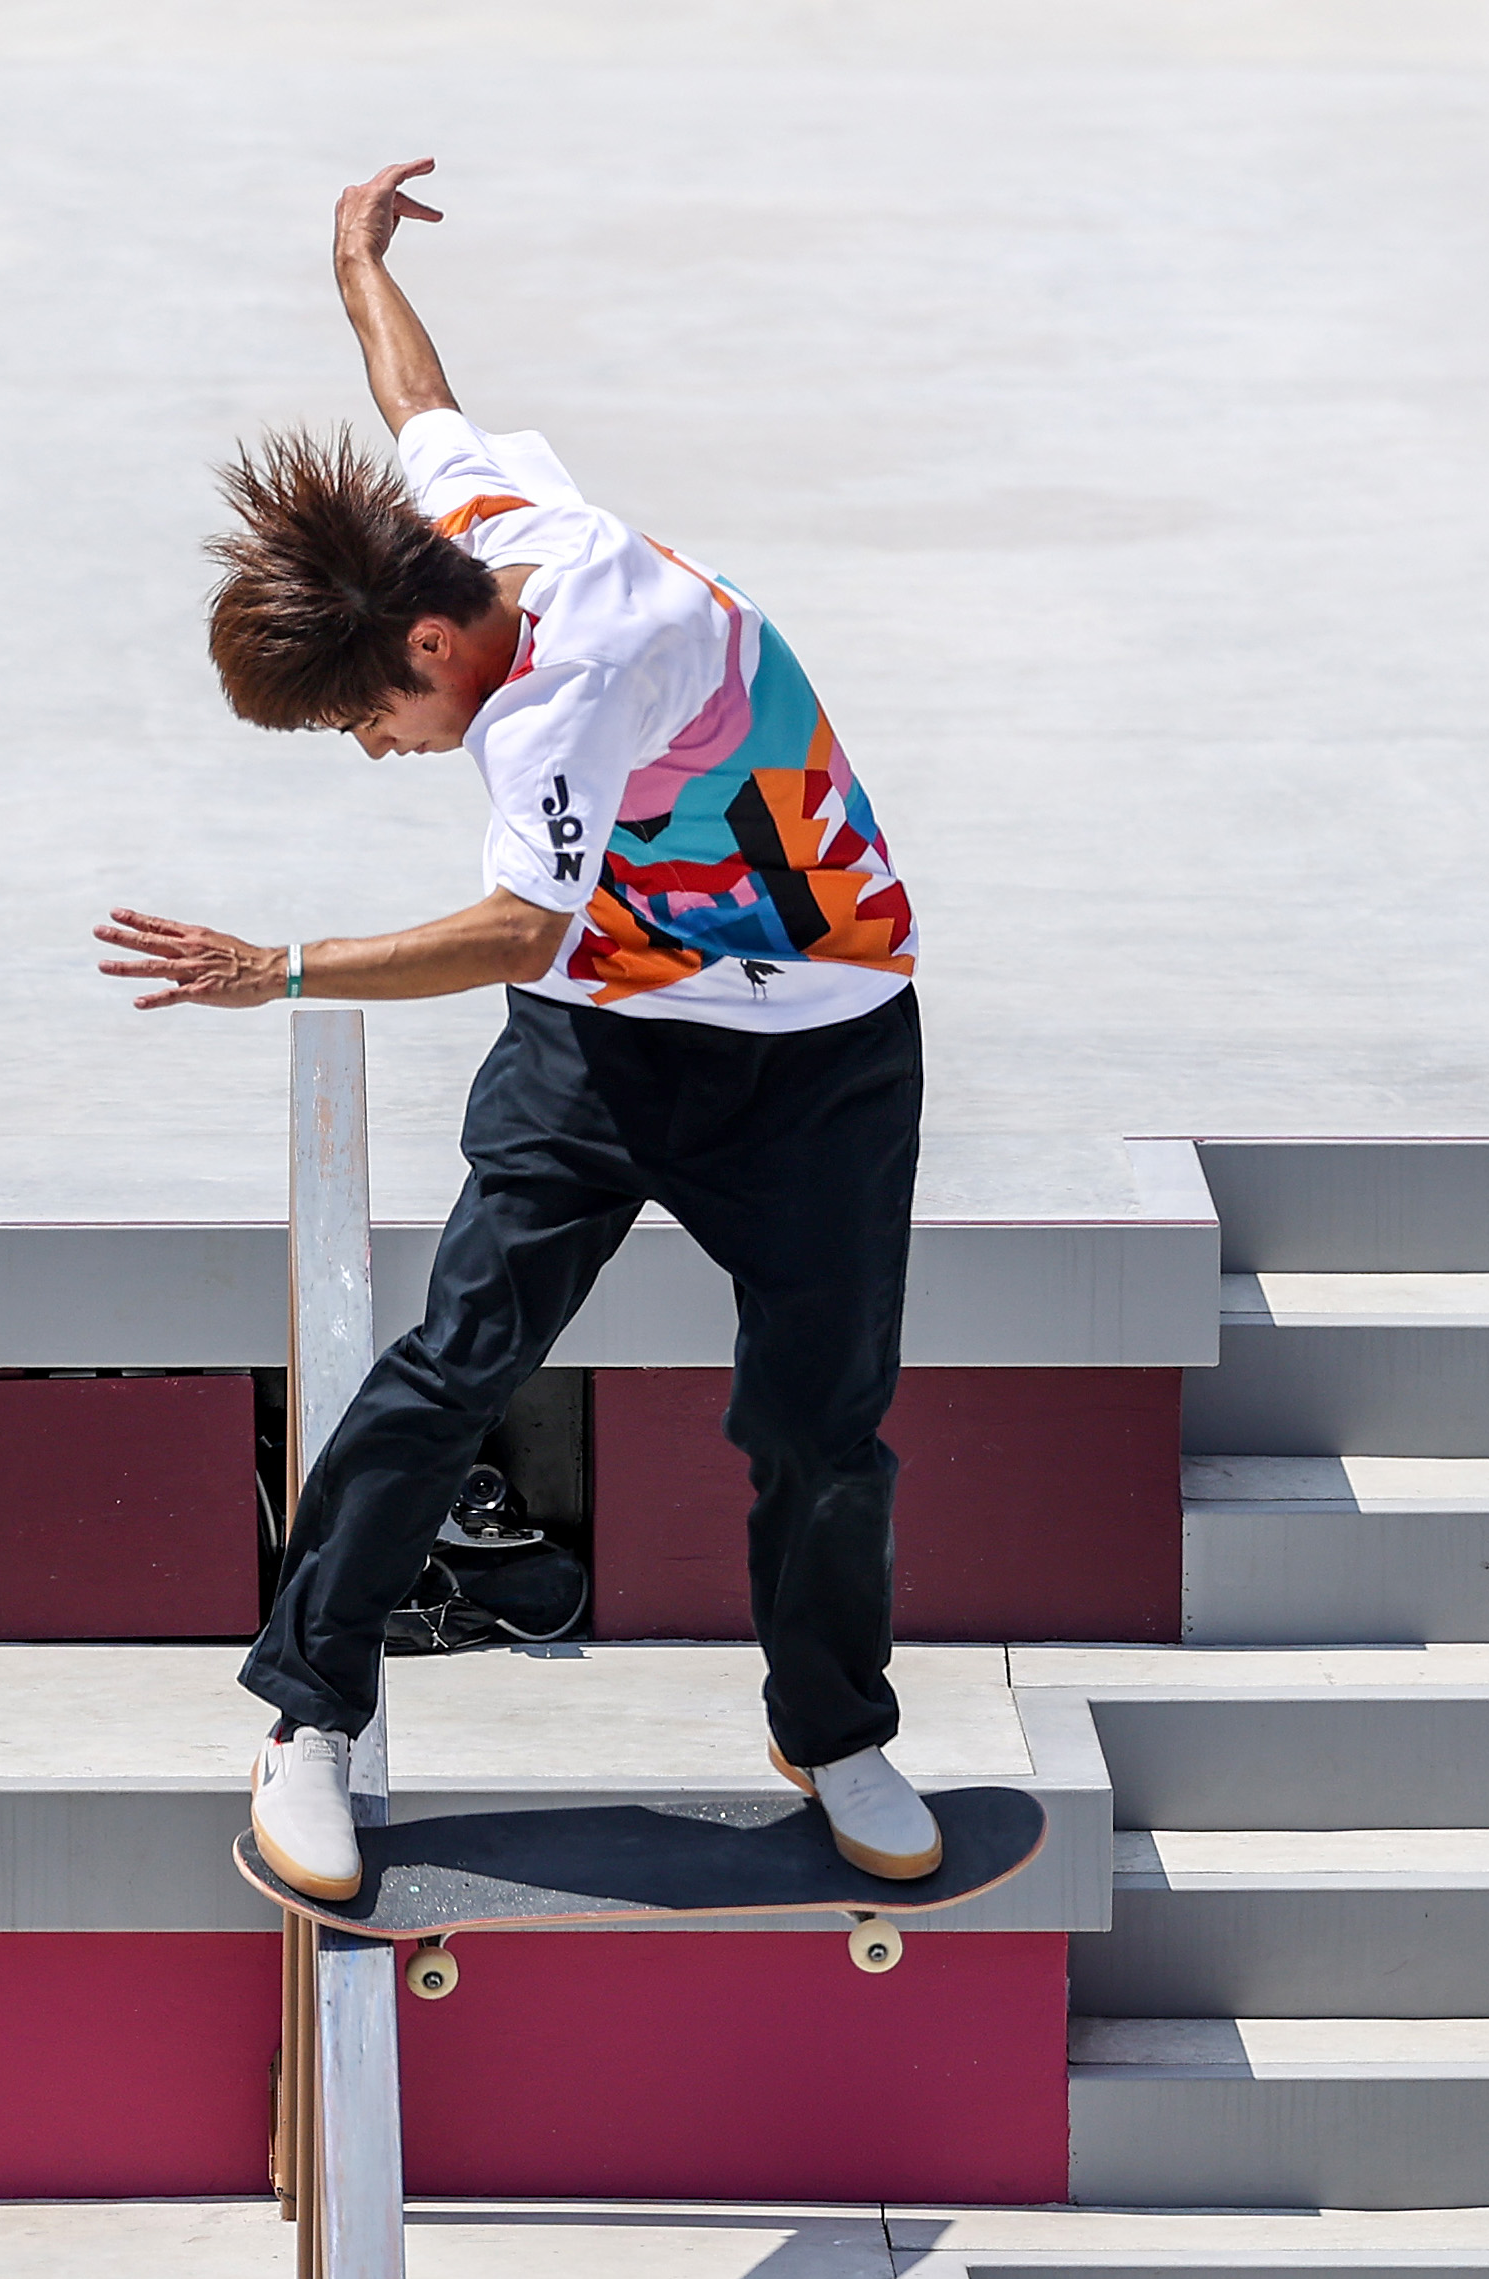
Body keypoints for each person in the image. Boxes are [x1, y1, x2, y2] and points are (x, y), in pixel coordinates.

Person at [101, 157, 935, 1905]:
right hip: (600, 1048)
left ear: (430, 646)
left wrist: (280, 970)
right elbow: (418, 399)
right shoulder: (479, 526)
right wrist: (355, 258)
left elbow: (512, 927)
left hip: (821, 1049)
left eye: (364, 719)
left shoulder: (564, 693)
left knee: (820, 1419)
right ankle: (306, 1716)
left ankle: (831, 1727)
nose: (373, 750)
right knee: (454, 1365)